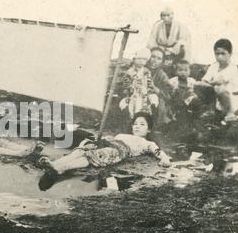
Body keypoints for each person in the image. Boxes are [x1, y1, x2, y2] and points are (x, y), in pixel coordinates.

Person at [38, 112, 171, 191]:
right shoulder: (122, 135)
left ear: (149, 130)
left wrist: (164, 159)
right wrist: (103, 139)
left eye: (142, 124)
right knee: (84, 147)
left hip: (119, 150)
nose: (137, 126)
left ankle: (63, 167)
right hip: (110, 143)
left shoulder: (147, 143)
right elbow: (111, 139)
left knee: (93, 156)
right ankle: (56, 164)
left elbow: (158, 151)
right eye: (135, 123)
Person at [196, 39, 238, 122]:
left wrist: (208, 84)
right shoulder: (214, 66)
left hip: (232, 97)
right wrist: (201, 83)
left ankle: (230, 114)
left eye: (223, 53)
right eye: (217, 54)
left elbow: (219, 81)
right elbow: (205, 80)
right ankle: (209, 109)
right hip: (216, 95)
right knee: (199, 85)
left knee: (219, 88)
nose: (220, 57)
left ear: (230, 54)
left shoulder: (232, 68)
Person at [119, 49, 159, 119]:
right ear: (134, 59)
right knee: (135, 104)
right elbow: (126, 83)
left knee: (153, 98)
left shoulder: (146, 71)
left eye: (144, 59)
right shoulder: (129, 72)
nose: (141, 61)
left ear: (146, 61)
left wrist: (148, 89)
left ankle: (146, 118)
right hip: (134, 92)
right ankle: (134, 119)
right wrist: (130, 89)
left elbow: (149, 82)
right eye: (139, 58)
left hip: (145, 91)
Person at [146, 47, 173, 127]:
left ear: (162, 62)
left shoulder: (162, 75)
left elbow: (168, 95)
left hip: (156, 102)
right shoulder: (140, 69)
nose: (154, 60)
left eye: (159, 58)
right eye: (153, 56)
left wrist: (154, 88)